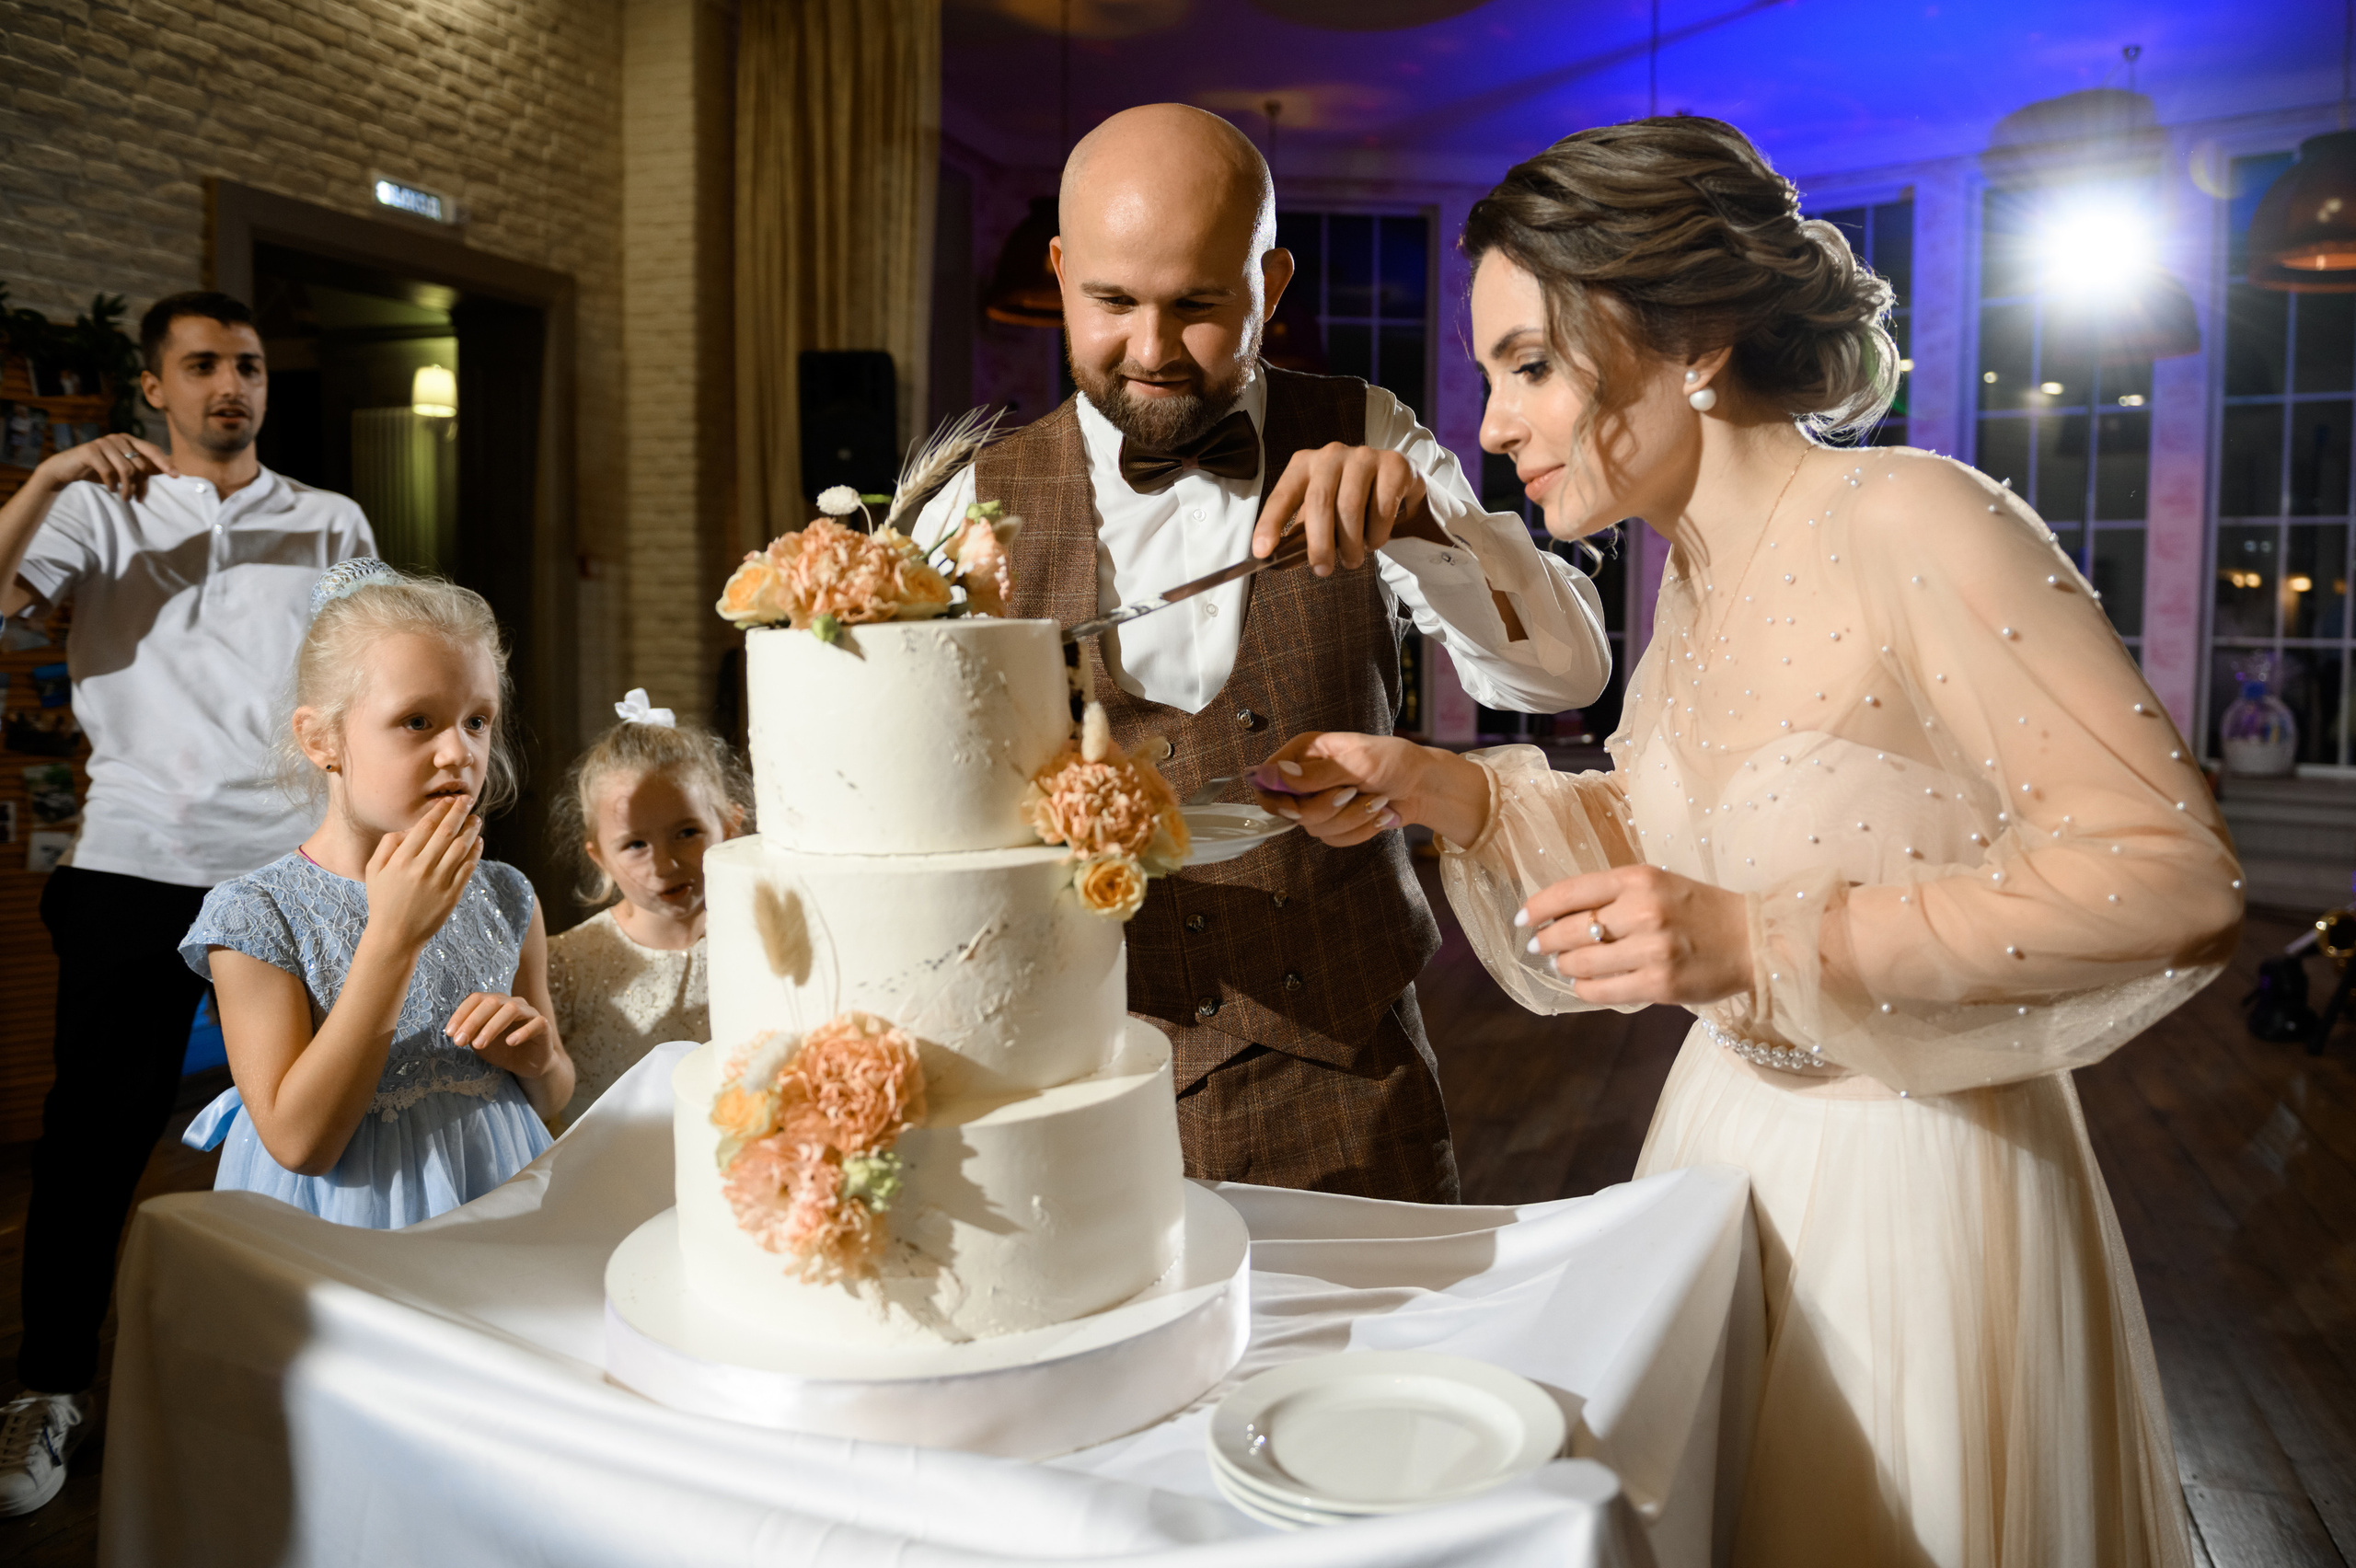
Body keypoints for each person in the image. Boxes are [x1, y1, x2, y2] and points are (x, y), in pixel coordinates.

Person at [1257, 118, 2239, 1566]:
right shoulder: (1690, 584)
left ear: (1696, 340)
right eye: (1488, 376)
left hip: (1921, 1193)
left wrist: (1764, 945)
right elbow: (1682, 844)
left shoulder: (1916, 517)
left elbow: (2176, 876)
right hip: (1721, 1152)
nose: (1490, 427)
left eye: (1527, 364)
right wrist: (1438, 788)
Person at [917, 103, 1613, 1203]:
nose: (1148, 352)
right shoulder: (967, 507)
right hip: (1069, 1087)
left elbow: (1563, 678)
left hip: (1349, 1080)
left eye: (1196, 306)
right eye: (1110, 302)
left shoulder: (1371, 434)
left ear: (1270, 286)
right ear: (1056, 271)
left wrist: (1433, 532)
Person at [0, 292, 375, 1516]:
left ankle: (324, 1372)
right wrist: (52, 472)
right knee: (95, 1138)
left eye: (250, 365)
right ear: (154, 387)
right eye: (203, 364)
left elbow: (378, 679)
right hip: (131, 862)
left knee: (322, 1129)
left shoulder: (329, 520)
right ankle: (50, 1389)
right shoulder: (93, 511)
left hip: (286, 868)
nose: (231, 385)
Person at [179, 560, 572, 1221]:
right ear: (321, 739)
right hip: (343, 1233)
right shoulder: (256, 915)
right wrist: (393, 935)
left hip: (499, 1204)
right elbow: (300, 1143)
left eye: (477, 721)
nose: (459, 753)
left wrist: (538, 1057)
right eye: (418, 722)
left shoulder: (506, 895)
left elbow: (554, 1093)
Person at [545, 688, 748, 1121]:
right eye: (635, 844)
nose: (665, 863)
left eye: (687, 832)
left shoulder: (762, 942)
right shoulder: (566, 965)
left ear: (730, 825)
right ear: (599, 856)